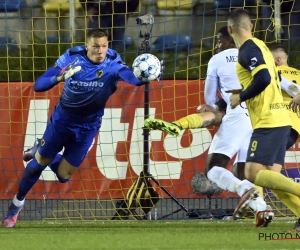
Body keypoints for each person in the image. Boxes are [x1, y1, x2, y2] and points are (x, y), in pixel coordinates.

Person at [2, 28, 156, 228]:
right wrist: (59, 78)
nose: (100, 51)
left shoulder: (113, 62)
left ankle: (39, 149)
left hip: (88, 127)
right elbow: (38, 86)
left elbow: (132, 78)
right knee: (36, 167)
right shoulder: (72, 57)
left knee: (64, 176)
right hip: (62, 122)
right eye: (95, 46)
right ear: (87, 46)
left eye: (104, 46)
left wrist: (148, 75)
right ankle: (16, 206)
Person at [145, 26, 273, 227]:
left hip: (238, 115)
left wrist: (211, 105)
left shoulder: (217, 60)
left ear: (230, 40)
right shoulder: (258, 54)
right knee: (243, 172)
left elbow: (210, 99)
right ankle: (261, 208)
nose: (216, 45)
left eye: (219, 41)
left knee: (213, 170)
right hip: (262, 119)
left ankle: (179, 126)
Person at [226, 8, 300, 231]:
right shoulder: (263, 48)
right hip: (279, 118)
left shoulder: (247, 49)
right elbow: (273, 77)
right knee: (271, 179)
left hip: (269, 119)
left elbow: (265, 78)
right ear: (251, 26)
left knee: (252, 172)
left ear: (230, 29)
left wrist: (241, 97)